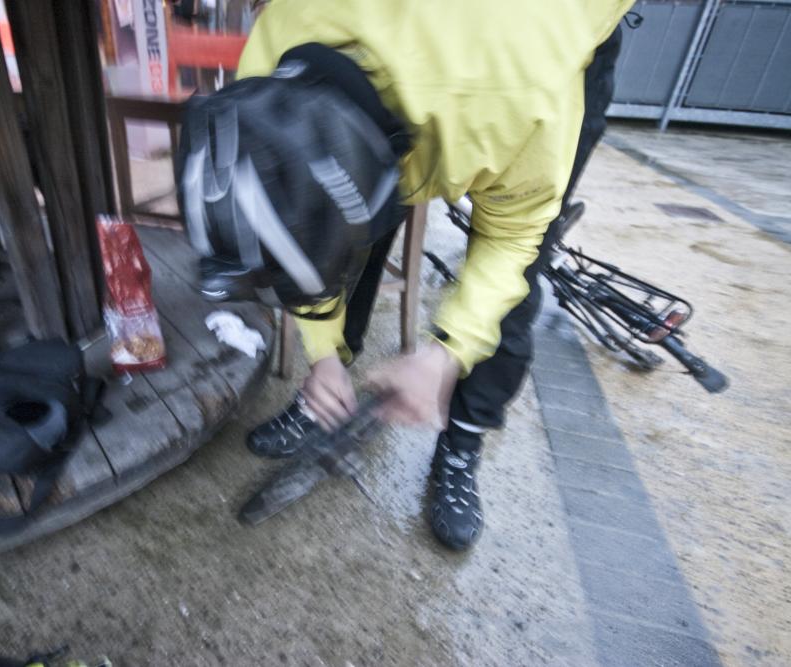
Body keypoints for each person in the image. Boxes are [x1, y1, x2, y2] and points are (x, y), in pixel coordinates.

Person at [177, 0, 631, 550]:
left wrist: (449, 353)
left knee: (515, 282)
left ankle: (461, 440)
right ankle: (330, 385)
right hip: (425, 66)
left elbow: (512, 236)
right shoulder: (274, 49)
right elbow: (293, 220)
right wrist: (321, 353)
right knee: (327, 234)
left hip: (545, 45)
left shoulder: (521, 105)